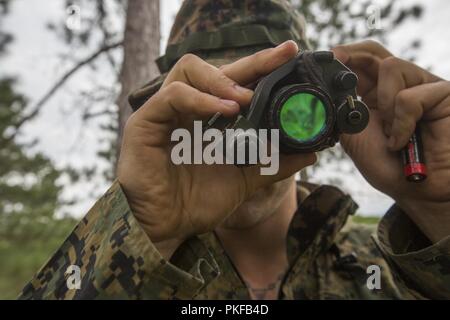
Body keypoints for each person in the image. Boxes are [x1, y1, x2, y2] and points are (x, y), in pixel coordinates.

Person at [20, 0, 450, 300]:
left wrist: (438, 209)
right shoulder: (138, 266)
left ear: (324, 111)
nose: (248, 134)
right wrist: (143, 236)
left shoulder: (384, 274)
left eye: (273, 104)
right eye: (218, 109)